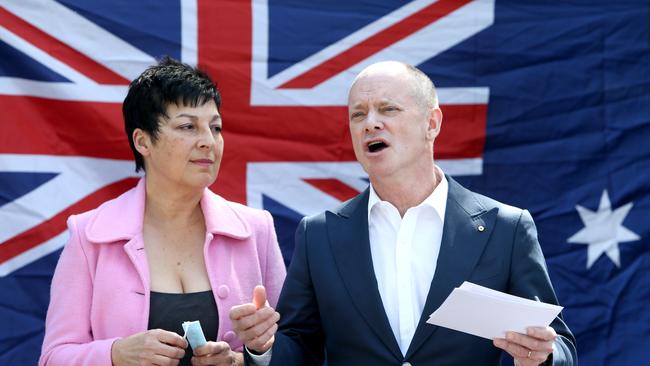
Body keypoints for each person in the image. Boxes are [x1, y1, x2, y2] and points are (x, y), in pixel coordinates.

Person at [230, 61, 577, 366]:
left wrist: (543, 356)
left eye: (388, 109)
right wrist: (264, 347)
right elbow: (299, 347)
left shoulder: (506, 228)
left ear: (432, 123)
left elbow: (558, 344)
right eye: (358, 114)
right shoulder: (319, 235)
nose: (370, 123)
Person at [39, 58, 286, 366]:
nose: (209, 142)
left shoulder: (255, 229)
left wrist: (248, 358)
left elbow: (295, 347)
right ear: (143, 141)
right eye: (187, 127)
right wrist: (115, 355)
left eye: (216, 127)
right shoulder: (89, 235)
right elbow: (53, 357)